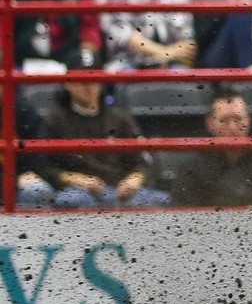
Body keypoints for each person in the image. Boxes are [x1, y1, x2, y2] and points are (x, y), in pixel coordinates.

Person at [31, 56, 171, 210]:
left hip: (121, 189)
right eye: (82, 80)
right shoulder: (54, 121)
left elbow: (142, 161)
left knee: (159, 200)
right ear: (67, 84)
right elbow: (44, 167)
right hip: (77, 191)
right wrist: (75, 179)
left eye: (94, 79)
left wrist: (134, 179)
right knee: (73, 201)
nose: (89, 85)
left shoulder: (119, 118)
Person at [168, 92, 252, 206]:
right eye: (224, 120)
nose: (232, 127)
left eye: (238, 119)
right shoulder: (191, 168)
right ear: (210, 123)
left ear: (248, 120)